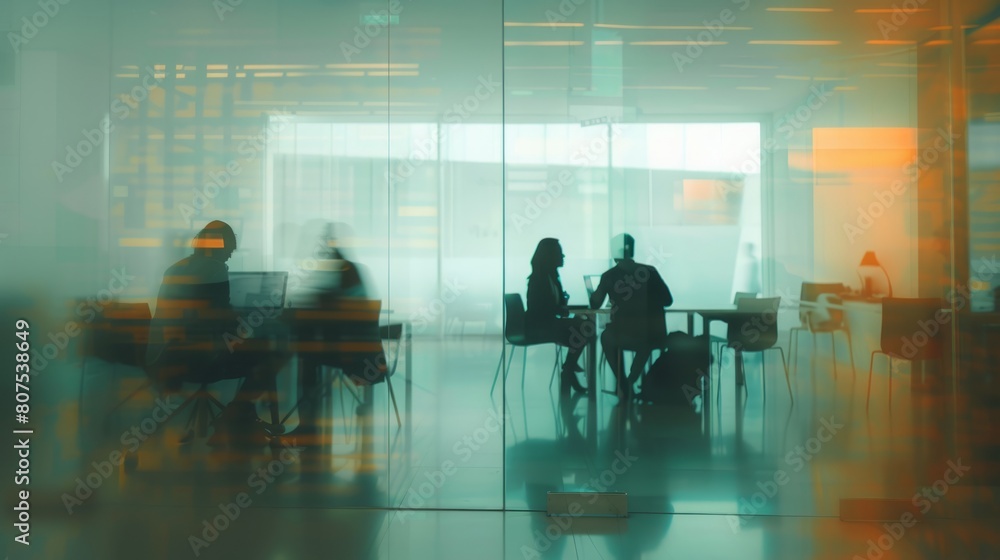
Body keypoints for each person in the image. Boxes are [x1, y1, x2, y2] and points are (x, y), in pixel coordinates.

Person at [147, 220, 289, 447]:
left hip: (166, 357)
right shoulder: (214, 268)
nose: (231, 256)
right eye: (230, 250)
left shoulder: (175, 267)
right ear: (220, 246)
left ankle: (236, 417)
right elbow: (222, 318)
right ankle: (236, 415)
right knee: (271, 355)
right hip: (201, 360)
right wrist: (247, 326)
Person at [288, 221, 384, 443]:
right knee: (308, 352)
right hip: (361, 352)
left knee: (307, 357)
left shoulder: (344, 270)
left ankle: (307, 424)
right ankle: (307, 422)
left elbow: (328, 306)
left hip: (352, 353)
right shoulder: (350, 269)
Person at [590, 233, 673, 400]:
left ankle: (624, 385)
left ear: (615, 253)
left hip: (622, 335)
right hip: (651, 335)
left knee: (607, 337)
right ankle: (631, 380)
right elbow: (667, 300)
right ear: (632, 250)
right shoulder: (650, 272)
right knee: (645, 343)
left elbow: (595, 304)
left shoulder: (609, 276)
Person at [525, 238, 593, 394]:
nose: (563, 256)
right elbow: (538, 309)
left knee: (584, 327)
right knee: (585, 329)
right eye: (560, 253)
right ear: (550, 256)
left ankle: (568, 369)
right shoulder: (537, 280)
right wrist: (560, 311)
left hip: (547, 323)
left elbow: (556, 307)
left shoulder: (552, 277)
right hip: (538, 326)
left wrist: (562, 304)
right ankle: (568, 370)